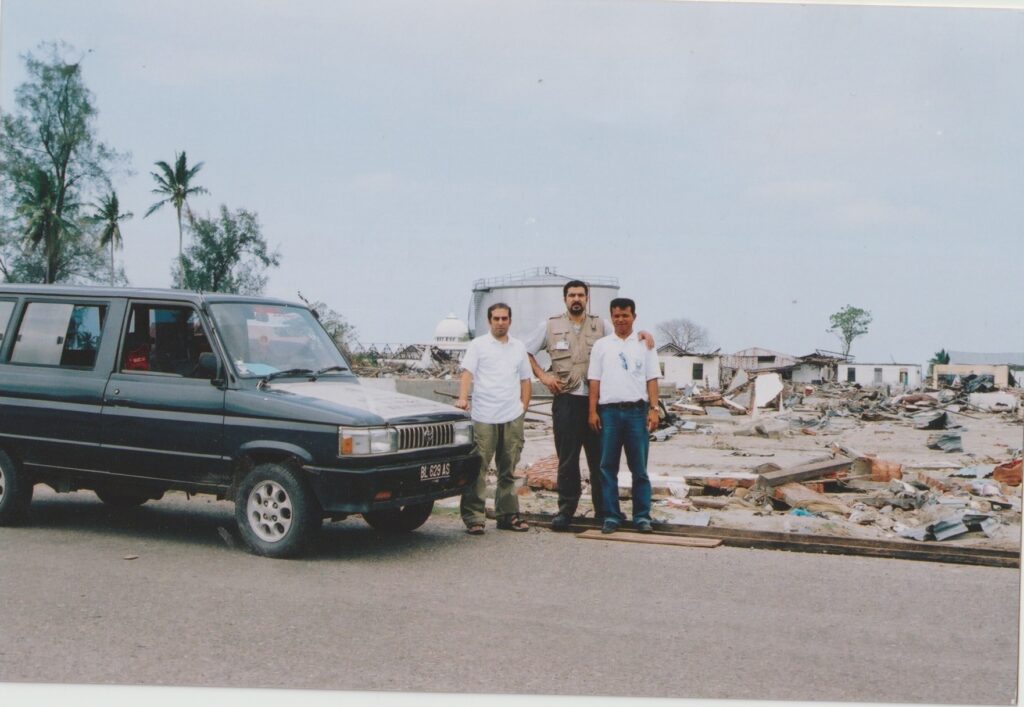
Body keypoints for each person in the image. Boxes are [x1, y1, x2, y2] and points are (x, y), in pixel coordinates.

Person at [525, 280, 654, 531]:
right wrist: (544, 376)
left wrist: (644, 334)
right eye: (572, 295)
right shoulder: (550, 326)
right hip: (567, 400)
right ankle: (566, 511)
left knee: (600, 460)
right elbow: (526, 352)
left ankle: (604, 511)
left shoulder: (601, 325)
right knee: (568, 459)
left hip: (598, 403)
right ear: (565, 299)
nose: (576, 299)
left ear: (587, 299)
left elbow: (622, 336)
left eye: (581, 295)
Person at [455, 302, 532, 535]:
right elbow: (467, 373)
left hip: (512, 416)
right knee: (478, 467)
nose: (500, 323)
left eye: (504, 319)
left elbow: (526, 380)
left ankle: (507, 515)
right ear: (489, 321)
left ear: (510, 320)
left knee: (508, 468)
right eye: (496, 319)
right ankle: (474, 517)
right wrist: (463, 398)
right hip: (484, 416)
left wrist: (523, 408)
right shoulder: (478, 345)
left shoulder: (518, 347)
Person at [587, 297, 661, 535]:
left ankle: (642, 516)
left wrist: (654, 409)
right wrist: (592, 411)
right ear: (611, 317)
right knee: (607, 467)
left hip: (636, 413)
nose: (621, 320)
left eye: (625, 315)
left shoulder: (645, 344)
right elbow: (594, 381)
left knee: (639, 468)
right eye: (616, 316)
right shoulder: (602, 346)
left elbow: (651, 378)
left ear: (634, 317)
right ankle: (611, 516)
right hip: (608, 413)